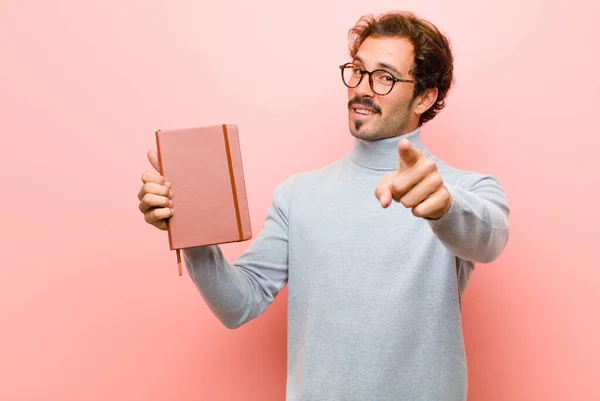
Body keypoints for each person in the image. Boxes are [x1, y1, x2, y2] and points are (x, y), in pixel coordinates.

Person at [137, 10, 510, 401]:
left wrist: (443, 208)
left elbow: (489, 239)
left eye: (384, 77)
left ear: (425, 97)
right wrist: (192, 230)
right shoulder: (298, 195)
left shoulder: (464, 190)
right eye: (357, 71)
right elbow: (237, 305)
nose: (362, 89)